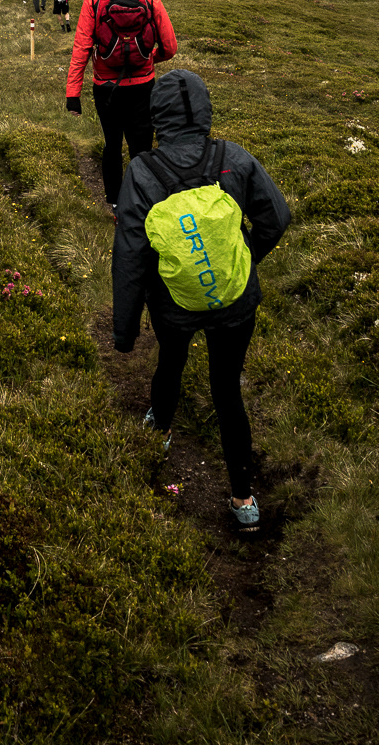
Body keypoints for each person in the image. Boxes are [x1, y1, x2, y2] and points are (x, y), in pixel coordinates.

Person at [112, 70, 290, 531]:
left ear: (157, 116)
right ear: (206, 110)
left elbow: (130, 257)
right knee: (227, 389)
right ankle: (244, 500)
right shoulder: (233, 158)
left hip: (174, 304)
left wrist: (125, 331)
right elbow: (277, 218)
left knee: (170, 363)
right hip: (235, 300)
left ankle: (162, 432)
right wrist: (243, 258)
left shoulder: (143, 172)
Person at [65, 0, 177, 211]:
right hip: (143, 87)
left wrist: (73, 94)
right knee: (142, 147)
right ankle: (143, 203)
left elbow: (81, 49)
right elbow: (170, 47)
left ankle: (115, 204)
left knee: (112, 145)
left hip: (106, 89)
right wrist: (149, 59)